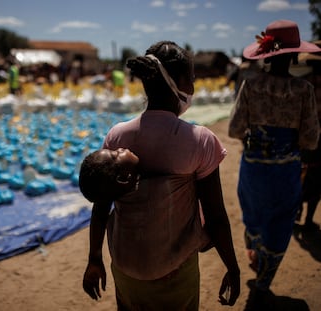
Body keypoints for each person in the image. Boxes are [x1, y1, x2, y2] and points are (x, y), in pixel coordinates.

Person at [82, 40, 240, 311]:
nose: (193, 86)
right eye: (191, 79)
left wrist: (94, 258)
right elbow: (215, 216)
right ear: (178, 82)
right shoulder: (199, 140)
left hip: (125, 266)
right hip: (175, 273)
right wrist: (233, 268)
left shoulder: (117, 136)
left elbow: (101, 207)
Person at [228, 20, 320, 300]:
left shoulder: (251, 86)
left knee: (254, 216)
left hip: (253, 169)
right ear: (294, 55)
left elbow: (234, 129)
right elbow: (311, 139)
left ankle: (256, 252)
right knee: (280, 223)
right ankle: (265, 280)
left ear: (265, 52)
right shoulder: (303, 90)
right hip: (286, 172)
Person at [296, 50, 321, 231]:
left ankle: (297, 212)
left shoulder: (301, 84)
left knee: (300, 176)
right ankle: (308, 219)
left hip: (301, 139)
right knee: (316, 181)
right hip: (318, 141)